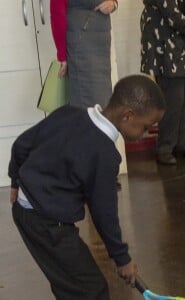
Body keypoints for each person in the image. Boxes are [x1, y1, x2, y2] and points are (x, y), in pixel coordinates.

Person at [8, 75, 166, 299]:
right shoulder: (104, 155)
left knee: (68, 281)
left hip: (26, 212)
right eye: (146, 126)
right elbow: (103, 213)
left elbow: (22, 144)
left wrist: (15, 181)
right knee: (91, 290)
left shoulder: (69, 113)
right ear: (127, 115)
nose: (147, 133)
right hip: (47, 224)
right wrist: (122, 258)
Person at [140, 0, 185, 165]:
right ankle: (165, 147)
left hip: (181, 45)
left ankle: (181, 142)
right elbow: (171, 13)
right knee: (172, 99)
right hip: (164, 44)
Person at [50, 0, 118, 109]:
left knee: (103, 99)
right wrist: (62, 55)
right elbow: (57, 12)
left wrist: (114, 3)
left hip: (101, 39)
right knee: (87, 100)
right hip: (81, 39)